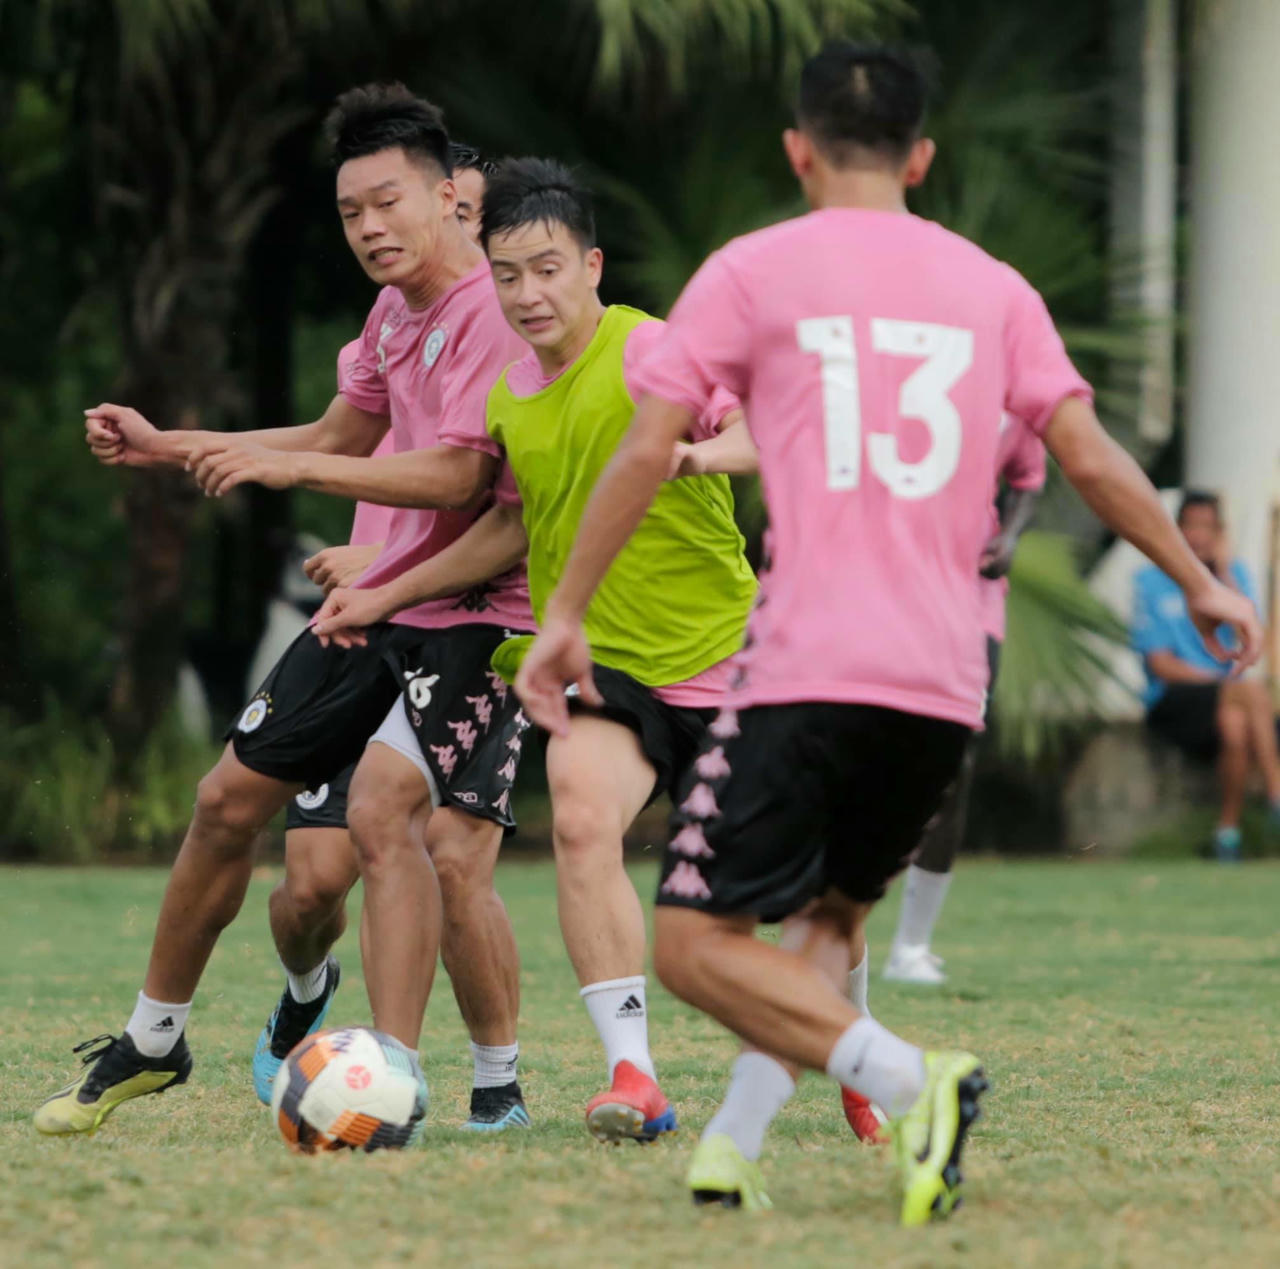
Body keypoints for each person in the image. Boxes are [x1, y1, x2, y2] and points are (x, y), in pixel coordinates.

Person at [512, 41, 1261, 1223]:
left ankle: (915, 1081)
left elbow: (648, 447)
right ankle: (731, 1147)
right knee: (829, 922)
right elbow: (1085, 454)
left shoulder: (752, 272)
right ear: (920, 158)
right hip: (943, 681)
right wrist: (1201, 581)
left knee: (695, 948)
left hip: (808, 662)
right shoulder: (993, 288)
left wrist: (562, 614)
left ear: (796, 152)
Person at [37, 86, 533, 1136]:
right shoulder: (393, 313)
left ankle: (411, 1080)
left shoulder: (493, 310)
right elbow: (337, 434)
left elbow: (458, 478)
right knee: (225, 802)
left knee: (390, 819)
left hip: (474, 614)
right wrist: (169, 445)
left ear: (450, 198)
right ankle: (154, 1039)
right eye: (350, 212)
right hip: (377, 605)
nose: (368, 228)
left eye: (387, 203)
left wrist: (291, 474)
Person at [303, 156, 759, 1142]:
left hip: (728, 659)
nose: (527, 294)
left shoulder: (651, 349)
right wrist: (382, 589)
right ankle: (633, 1076)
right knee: (583, 827)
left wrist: (696, 453)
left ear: (590, 265)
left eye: (547, 269)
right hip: (601, 667)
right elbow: (506, 529)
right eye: (506, 275)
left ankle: (851, 1059)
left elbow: (758, 431)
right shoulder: (508, 394)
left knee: (782, 886)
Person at [882, 415, 1045, 984]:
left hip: (971, 601)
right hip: (878, 591)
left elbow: (1029, 476)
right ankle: (818, 930)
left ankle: (911, 947)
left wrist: (1011, 535)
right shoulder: (877, 376)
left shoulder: (1008, 394)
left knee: (956, 763)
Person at [1132, 490, 1280, 861]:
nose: (1198, 535)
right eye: (1191, 526)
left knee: (1235, 724)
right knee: (1246, 692)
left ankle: (1226, 833)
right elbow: (1161, 664)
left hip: (1228, 700)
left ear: (1219, 533)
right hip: (1176, 698)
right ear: (1176, 529)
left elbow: (1251, 637)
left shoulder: (1234, 577)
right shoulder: (1151, 581)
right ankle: (1276, 792)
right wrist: (1221, 682)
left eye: (1207, 527)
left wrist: (1224, 574)